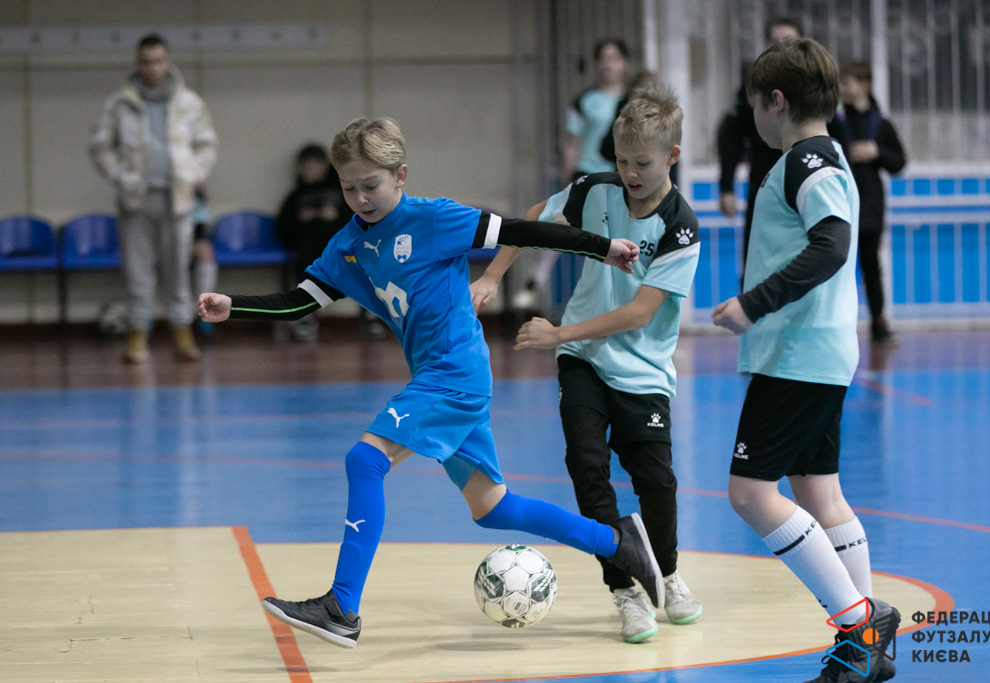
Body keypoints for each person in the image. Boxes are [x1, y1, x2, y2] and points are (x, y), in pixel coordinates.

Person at [198, 117, 665, 648]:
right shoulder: (348, 245)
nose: (360, 199)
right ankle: (617, 541)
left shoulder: (434, 219)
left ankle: (341, 608)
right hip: (440, 377)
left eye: (370, 186)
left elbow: (522, 230)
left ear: (400, 175)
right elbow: (301, 300)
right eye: (348, 188)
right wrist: (235, 306)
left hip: (454, 373)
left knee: (365, 459)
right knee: (495, 508)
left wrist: (602, 247)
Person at [471, 85, 703, 643]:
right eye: (621, 161)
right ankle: (624, 590)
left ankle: (667, 573)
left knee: (656, 481)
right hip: (583, 361)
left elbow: (641, 312)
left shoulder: (680, 226)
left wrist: (557, 333)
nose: (630, 173)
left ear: (672, 155)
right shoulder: (596, 189)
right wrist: (493, 275)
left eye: (642, 162)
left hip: (642, 371)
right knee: (587, 466)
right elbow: (534, 217)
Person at [711, 39, 899, 683]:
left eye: (752, 104)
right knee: (819, 491)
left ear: (776, 101)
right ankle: (866, 650)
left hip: (798, 354)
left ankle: (859, 623)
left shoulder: (806, 160)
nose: (751, 117)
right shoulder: (823, 155)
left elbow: (833, 244)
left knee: (749, 494)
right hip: (817, 351)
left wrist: (753, 303)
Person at [89, 33, 217, 363]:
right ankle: (137, 335)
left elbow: (207, 143)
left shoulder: (189, 102)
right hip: (135, 201)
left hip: (178, 201)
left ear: (167, 62)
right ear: (138, 63)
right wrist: (120, 176)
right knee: (136, 273)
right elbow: (100, 145)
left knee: (177, 272)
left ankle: (182, 332)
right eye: (146, 62)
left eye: (158, 61)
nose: (153, 68)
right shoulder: (119, 103)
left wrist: (193, 173)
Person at [513, 38, 632, 312]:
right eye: (603, 59)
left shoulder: (632, 101)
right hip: (587, 174)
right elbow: (572, 142)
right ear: (596, 64)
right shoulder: (584, 101)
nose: (608, 65)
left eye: (614, 59)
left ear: (624, 63)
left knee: (613, 238)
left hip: (618, 179)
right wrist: (566, 179)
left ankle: (616, 302)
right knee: (560, 224)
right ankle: (535, 281)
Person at [829, 62, 907, 347]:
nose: (843, 89)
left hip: (870, 206)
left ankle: (878, 324)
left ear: (865, 85)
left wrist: (877, 152)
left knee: (871, 266)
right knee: (837, 267)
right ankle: (835, 327)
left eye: (848, 83)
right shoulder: (835, 122)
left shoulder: (881, 124)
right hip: (840, 203)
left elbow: (899, 162)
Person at [716, 17, 802, 272]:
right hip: (763, 184)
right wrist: (726, 187)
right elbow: (730, 136)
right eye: (776, 43)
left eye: (788, 42)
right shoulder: (755, 85)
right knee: (756, 265)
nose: (782, 49)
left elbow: (838, 137)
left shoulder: (813, 86)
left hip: (804, 183)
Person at [275, 143, 385, 341]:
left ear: (324, 166)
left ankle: (371, 315)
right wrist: (301, 219)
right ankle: (307, 315)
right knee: (306, 262)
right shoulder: (296, 196)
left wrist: (336, 216)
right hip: (310, 248)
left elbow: (361, 219)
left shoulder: (344, 191)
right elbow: (283, 228)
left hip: (342, 244)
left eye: (313, 165)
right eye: (305, 166)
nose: (309, 171)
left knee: (364, 259)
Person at [191, 186, 217, 336]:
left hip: (191, 242)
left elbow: (201, 229)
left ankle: (204, 310)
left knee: (206, 252)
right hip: (163, 243)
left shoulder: (198, 199)